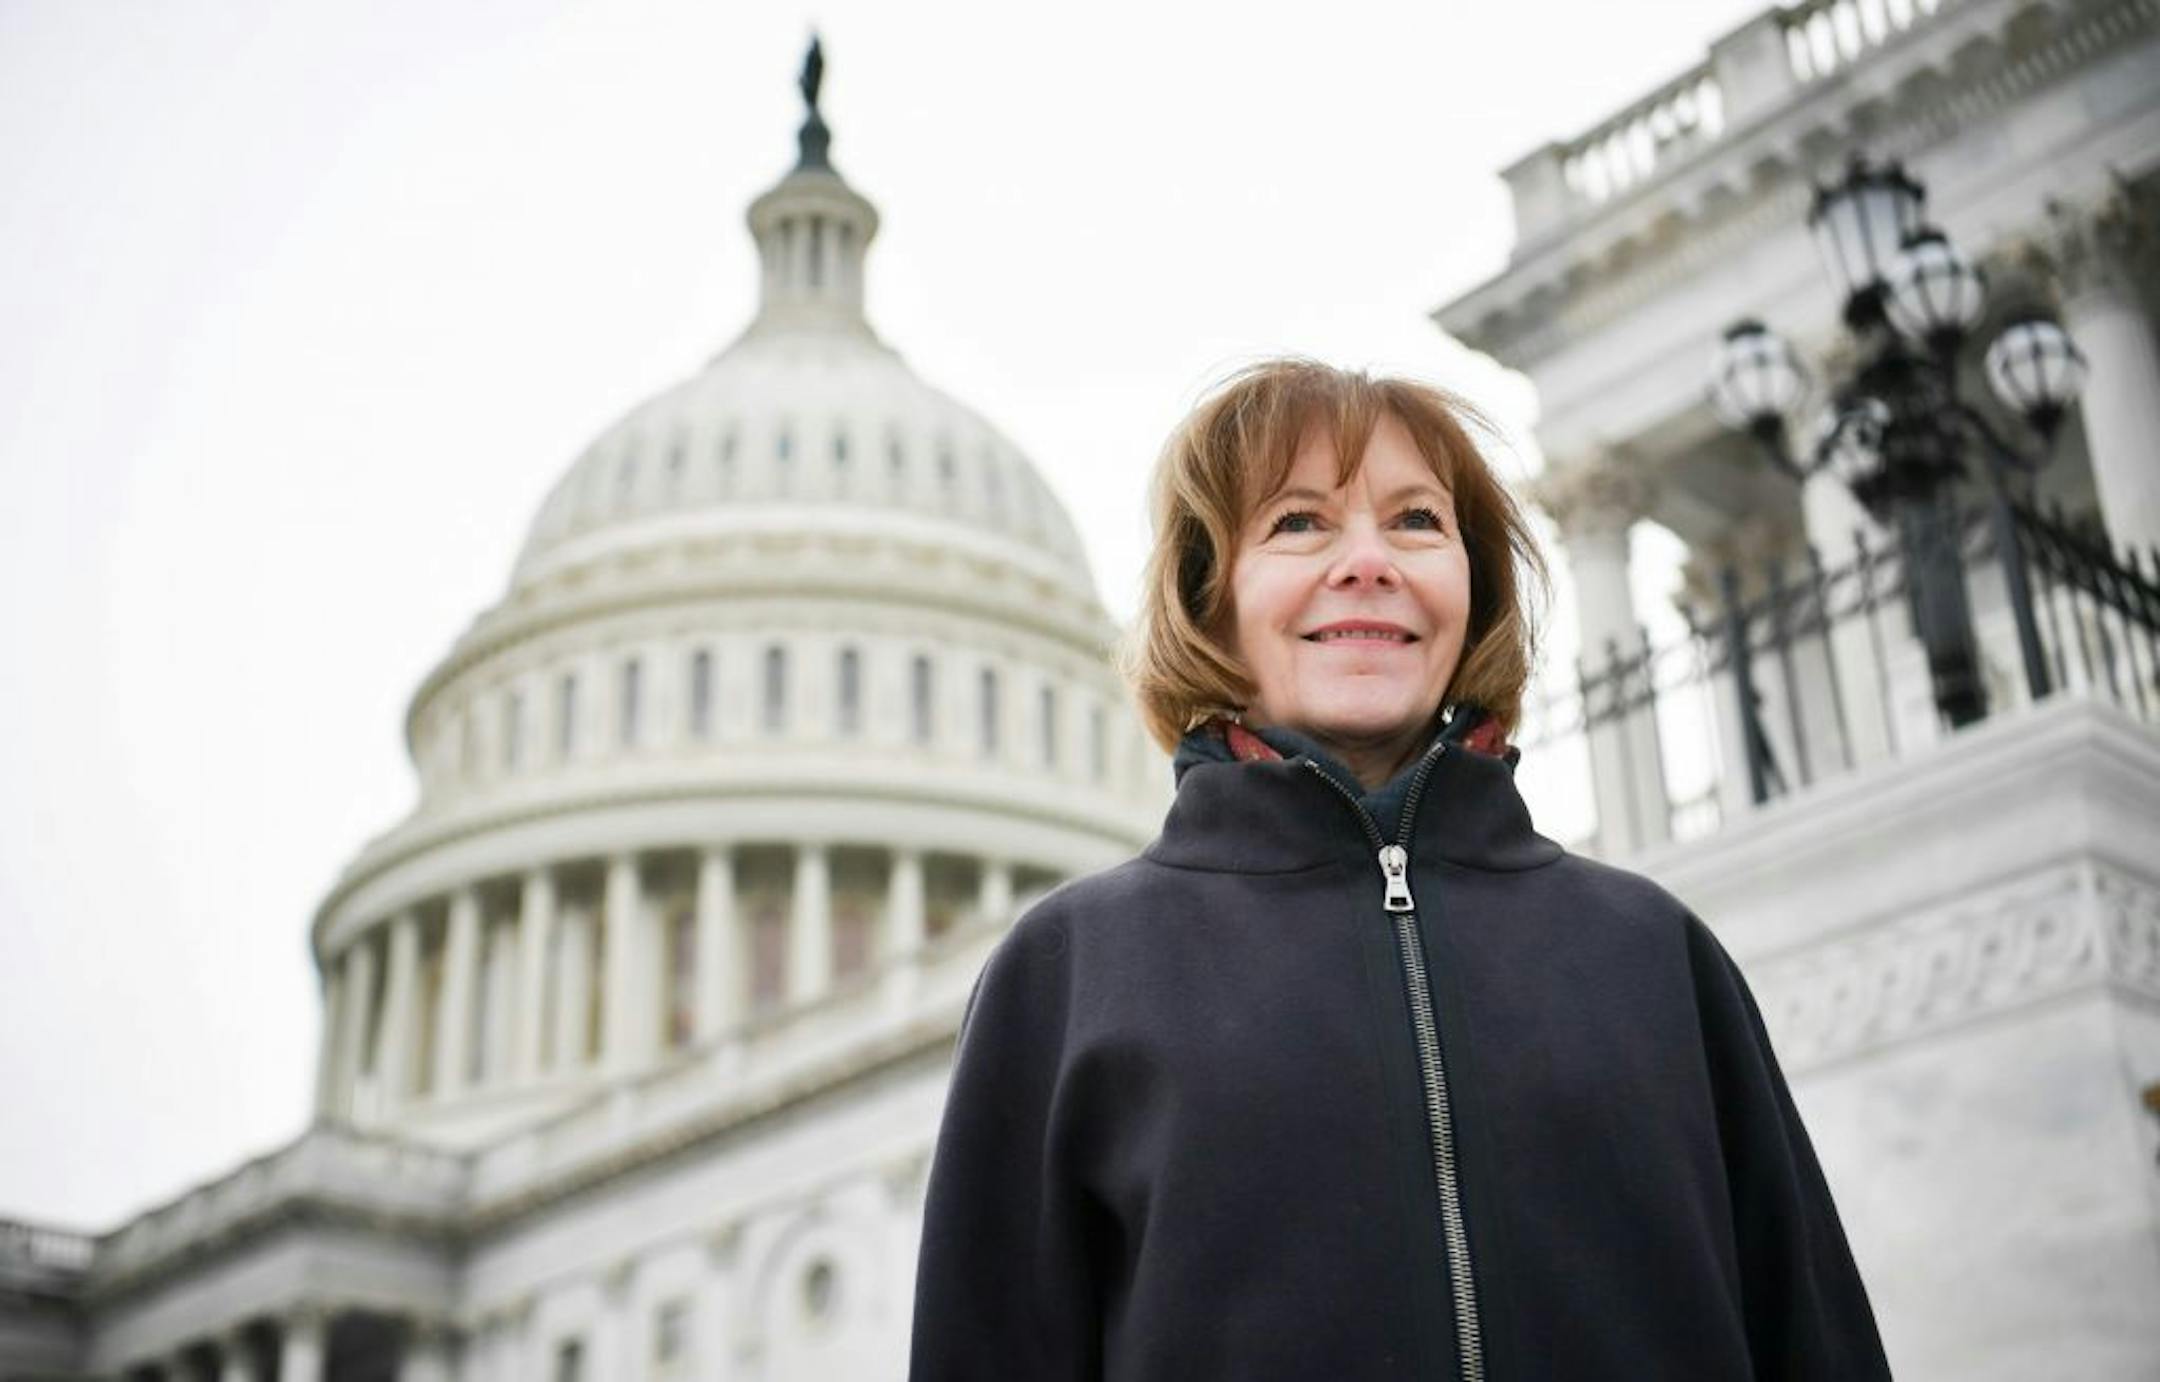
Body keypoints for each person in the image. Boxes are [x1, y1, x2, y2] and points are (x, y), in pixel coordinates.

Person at [908, 359, 1892, 1380]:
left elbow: (1813, 1341)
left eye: (1417, 520)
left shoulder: (1657, 951)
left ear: (1472, 588)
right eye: (1299, 523)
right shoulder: (1071, 972)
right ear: (1211, 605)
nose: (1368, 560)